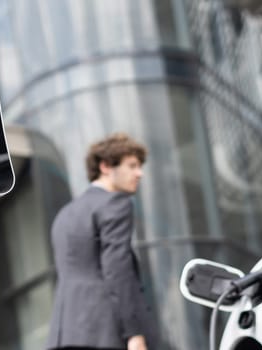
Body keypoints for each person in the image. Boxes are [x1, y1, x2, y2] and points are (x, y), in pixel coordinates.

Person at [46, 133, 156, 350]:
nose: (139, 173)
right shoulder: (116, 203)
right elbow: (117, 270)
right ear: (105, 166)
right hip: (105, 331)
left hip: (64, 333)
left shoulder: (65, 214)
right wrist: (133, 332)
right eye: (132, 166)